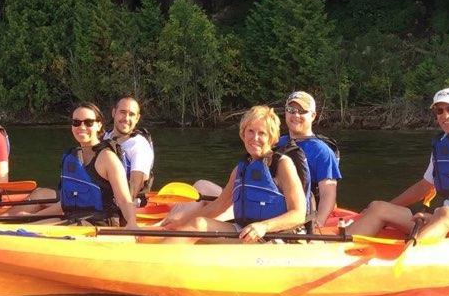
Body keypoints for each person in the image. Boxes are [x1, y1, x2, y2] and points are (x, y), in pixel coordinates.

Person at [344, 88, 449, 245]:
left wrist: (438, 217)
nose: (445, 115)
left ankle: (413, 257)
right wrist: (390, 205)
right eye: (439, 111)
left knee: (445, 214)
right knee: (379, 207)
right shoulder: (443, 143)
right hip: (443, 219)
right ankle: (336, 248)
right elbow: (425, 187)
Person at [159, 105, 308, 243]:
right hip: (243, 231)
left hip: (275, 235)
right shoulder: (241, 169)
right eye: (250, 131)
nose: (254, 138)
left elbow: (299, 214)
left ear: (272, 138)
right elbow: (218, 206)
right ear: (243, 134)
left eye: (262, 133)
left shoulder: (282, 164)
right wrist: (183, 221)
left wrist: (264, 227)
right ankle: (155, 257)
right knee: (199, 224)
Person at [20, 103, 137, 227]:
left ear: (99, 125)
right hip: (74, 220)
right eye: (76, 122)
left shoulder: (107, 158)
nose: (81, 127)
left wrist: (132, 222)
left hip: (100, 224)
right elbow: (66, 204)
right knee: (25, 228)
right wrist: (32, 217)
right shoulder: (72, 157)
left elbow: (124, 200)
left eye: (88, 122)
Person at [276, 91, 342, 229]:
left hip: (305, 215)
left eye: (302, 111)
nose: (296, 115)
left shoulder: (322, 151)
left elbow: (328, 193)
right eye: (291, 110)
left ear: (313, 116)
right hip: (277, 208)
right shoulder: (277, 143)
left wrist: (318, 222)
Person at [103, 96, 155, 203]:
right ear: (114, 113)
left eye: (131, 114)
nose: (126, 118)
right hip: (99, 199)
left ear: (137, 118)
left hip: (125, 205)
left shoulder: (139, 145)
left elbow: (135, 185)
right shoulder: (103, 138)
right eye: (122, 112)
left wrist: (123, 207)